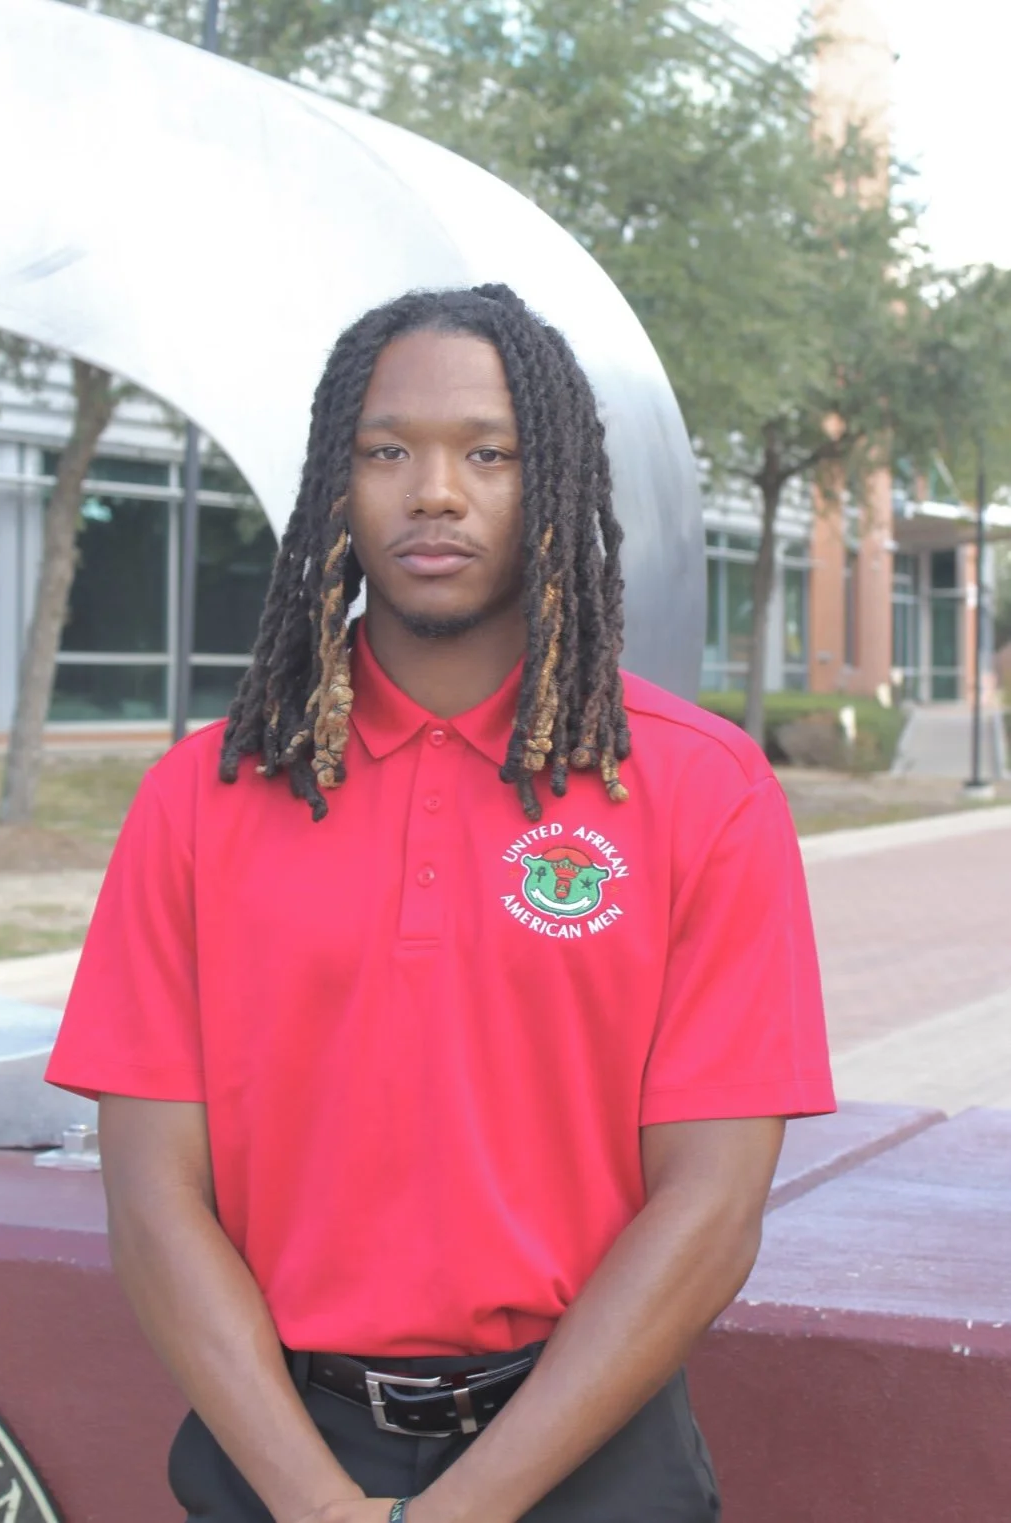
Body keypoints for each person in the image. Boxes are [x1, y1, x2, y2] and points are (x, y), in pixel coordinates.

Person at [46, 283, 835, 1523]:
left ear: (553, 480)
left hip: (590, 1452)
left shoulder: (699, 788)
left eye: (487, 451)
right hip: (275, 1448)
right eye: (385, 450)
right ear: (332, 485)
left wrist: (466, 1508)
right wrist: (314, 1502)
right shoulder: (200, 798)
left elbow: (713, 1202)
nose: (433, 491)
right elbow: (152, 1201)